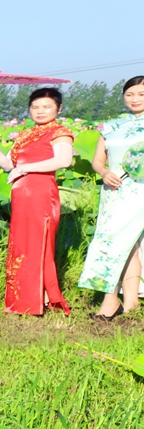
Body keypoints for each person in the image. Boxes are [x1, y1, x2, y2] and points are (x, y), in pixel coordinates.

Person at [0, 87, 74, 316]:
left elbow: (64, 160)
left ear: (59, 109)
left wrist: (25, 168)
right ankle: (24, 301)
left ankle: (37, 301)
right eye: (35, 107)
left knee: (37, 245)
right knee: (21, 244)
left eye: (47, 107)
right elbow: (7, 165)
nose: (40, 111)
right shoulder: (24, 134)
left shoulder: (60, 132)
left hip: (41, 195)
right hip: (21, 196)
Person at [82, 75, 144, 317]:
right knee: (127, 245)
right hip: (113, 190)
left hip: (139, 192)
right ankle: (130, 304)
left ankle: (110, 301)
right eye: (129, 94)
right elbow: (98, 160)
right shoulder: (112, 126)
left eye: (140, 94)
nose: (135, 99)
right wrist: (105, 172)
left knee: (112, 242)